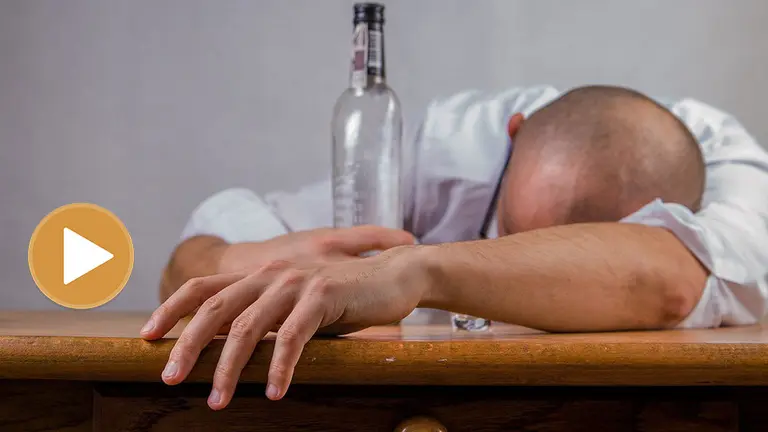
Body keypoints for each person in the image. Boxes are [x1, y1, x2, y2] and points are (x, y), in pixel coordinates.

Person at [142, 85, 768, 410]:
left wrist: (411, 273)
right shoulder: (449, 150)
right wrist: (240, 262)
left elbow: (668, 284)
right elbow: (193, 253)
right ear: (511, 137)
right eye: (510, 230)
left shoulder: (732, 168)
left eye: (567, 253)